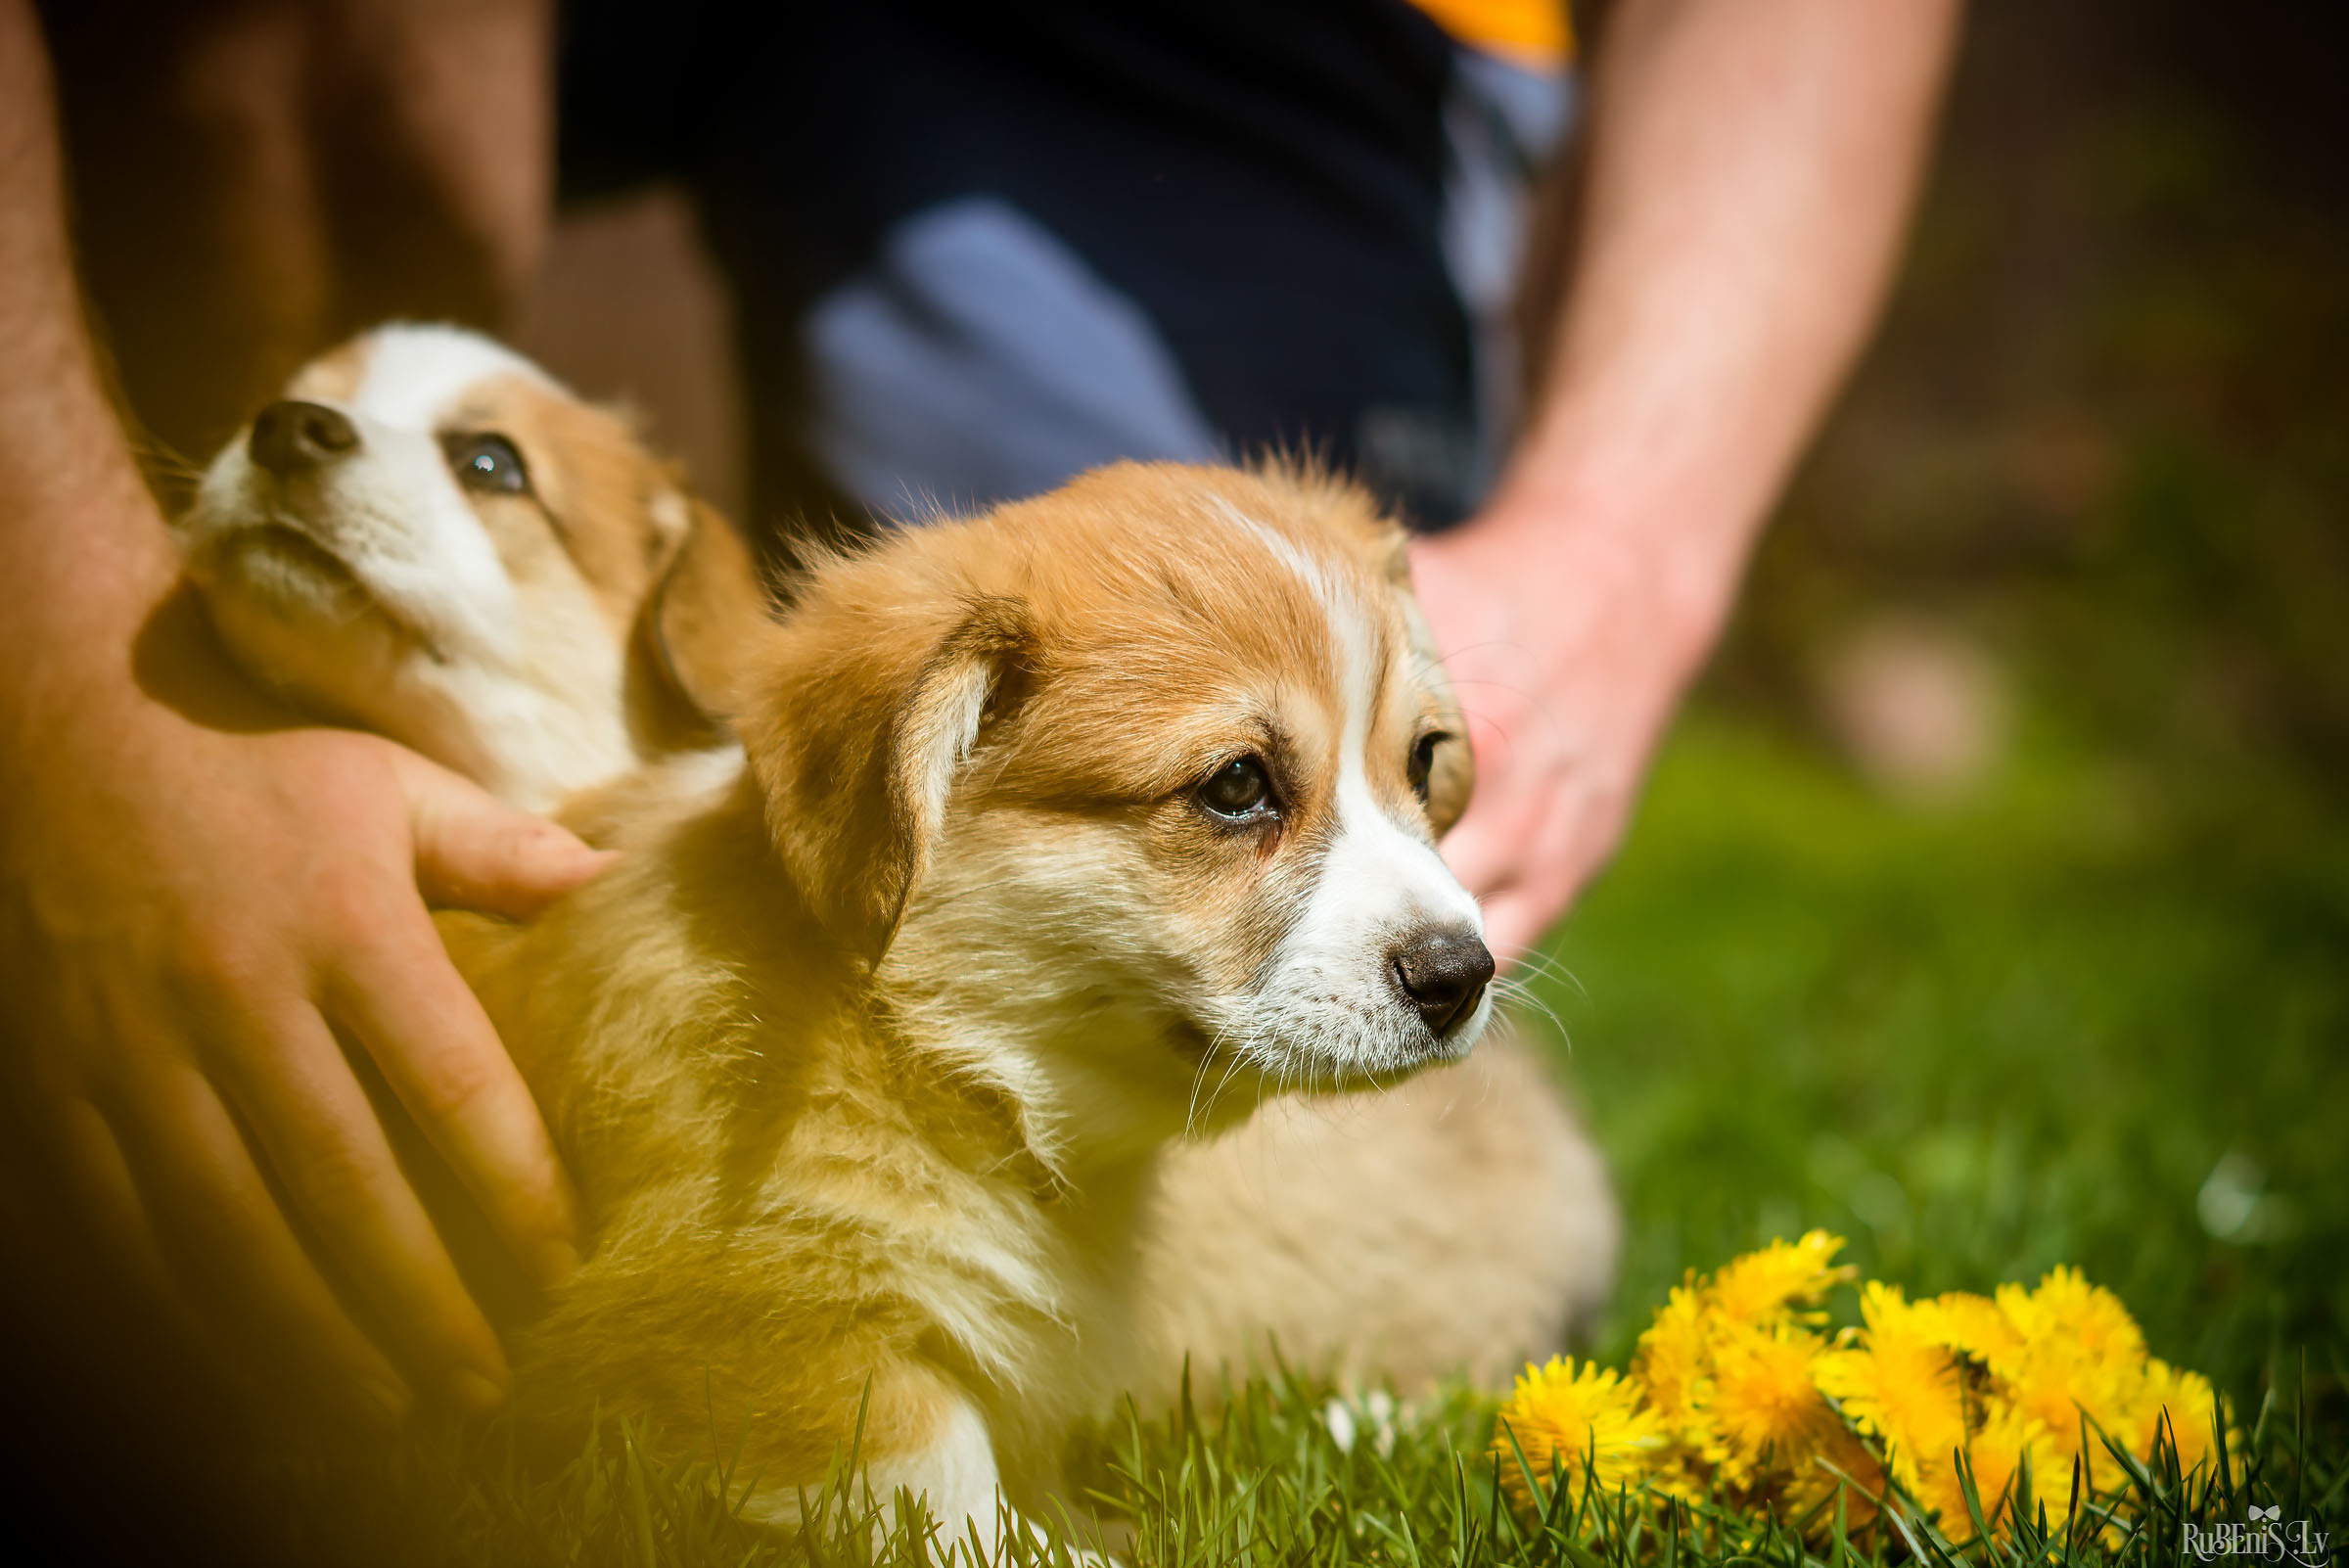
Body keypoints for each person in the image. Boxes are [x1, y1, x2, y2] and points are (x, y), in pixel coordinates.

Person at [0, 0, 1959, 1431]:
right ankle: (228, 835)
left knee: (1164, 685)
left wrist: (1614, 550)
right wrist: (85, 693)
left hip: (1168, 56)